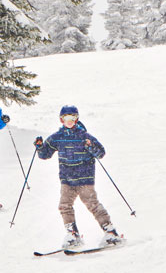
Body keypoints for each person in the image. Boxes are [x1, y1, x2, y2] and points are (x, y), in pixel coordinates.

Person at [35, 105, 122, 248]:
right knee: (64, 206)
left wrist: (90, 147)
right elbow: (45, 155)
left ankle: (110, 232)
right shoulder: (57, 137)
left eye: (73, 117)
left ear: (77, 119)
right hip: (67, 180)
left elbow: (100, 153)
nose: (69, 121)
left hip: (84, 178)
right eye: (66, 118)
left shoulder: (84, 136)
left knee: (93, 205)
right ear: (61, 120)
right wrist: (39, 147)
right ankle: (72, 235)